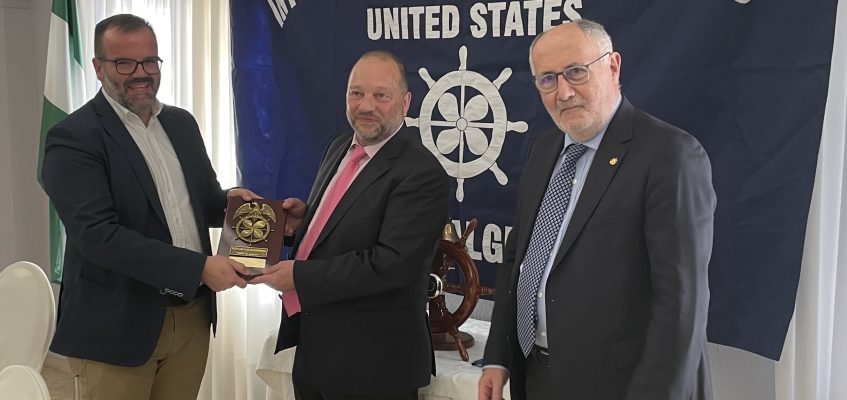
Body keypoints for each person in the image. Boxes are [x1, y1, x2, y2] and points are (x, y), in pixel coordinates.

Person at [40, 13, 301, 400]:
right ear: (98, 67)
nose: (141, 73)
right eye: (125, 63)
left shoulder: (180, 124)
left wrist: (258, 216)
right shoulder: (73, 138)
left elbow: (202, 203)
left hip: (190, 317)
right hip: (116, 326)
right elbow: (99, 237)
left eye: (150, 61)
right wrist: (198, 268)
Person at [478, 19, 716, 400]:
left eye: (576, 71)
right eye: (548, 79)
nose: (564, 92)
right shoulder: (543, 151)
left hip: (624, 385)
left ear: (613, 66)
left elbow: (681, 305)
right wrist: (498, 356)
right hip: (538, 376)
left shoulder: (670, 155)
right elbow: (518, 259)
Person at [251, 50, 449, 400]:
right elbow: (344, 224)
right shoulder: (339, 146)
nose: (366, 106)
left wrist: (299, 276)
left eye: (381, 95)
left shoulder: (421, 172)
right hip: (315, 350)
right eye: (356, 93)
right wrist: (303, 222)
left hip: (375, 366)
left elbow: (390, 265)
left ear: (405, 102)